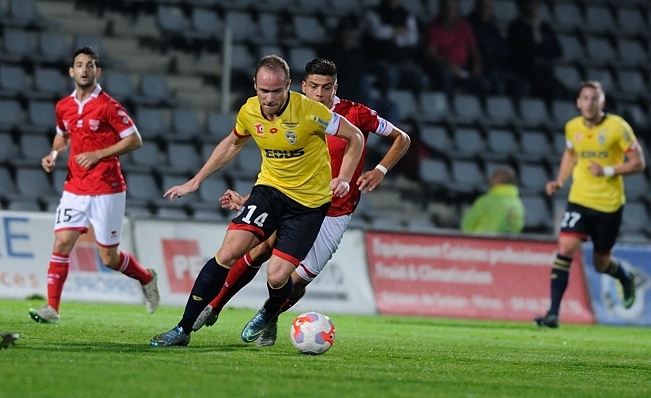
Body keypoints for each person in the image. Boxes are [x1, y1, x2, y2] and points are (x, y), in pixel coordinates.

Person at [190, 58, 410, 346]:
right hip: (295, 203)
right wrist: (247, 198)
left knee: (296, 281)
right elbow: (279, 168)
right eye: (314, 87)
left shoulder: (355, 114)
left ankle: (269, 315)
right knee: (258, 249)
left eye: (327, 87)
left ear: (335, 88)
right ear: (303, 86)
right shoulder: (293, 114)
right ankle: (214, 305)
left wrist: (379, 170)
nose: (320, 94)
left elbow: (402, 138)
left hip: (334, 212)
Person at [150, 55, 365, 347]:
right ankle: (182, 329)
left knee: (277, 277)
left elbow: (355, 138)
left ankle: (271, 309)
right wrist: (196, 180)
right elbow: (232, 143)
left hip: (309, 204)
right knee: (227, 253)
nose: (269, 97)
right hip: (269, 191)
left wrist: (344, 177)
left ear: (289, 86)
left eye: (277, 91)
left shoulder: (312, 112)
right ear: (255, 85)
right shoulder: (249, 111)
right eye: (264, 90)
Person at [29, 47, 160, 324]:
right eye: (79, 65)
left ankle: (147, 278)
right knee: (62, 242)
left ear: (97, 72)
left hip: (107, 188)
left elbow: (135, 139)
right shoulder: (63, 106)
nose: (84, 70)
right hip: (74, 187)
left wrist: (99, 154)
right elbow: (61, 137)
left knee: (109, 259)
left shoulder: (108, 106)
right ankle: (52, 308)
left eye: (89, 65)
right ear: (71, 71)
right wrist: (53, 155)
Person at [535, 81, 646, 328]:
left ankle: (625, 278)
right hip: (579, 199)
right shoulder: (572, 127)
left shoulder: (618, 127)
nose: (589, 103)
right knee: (565, 248)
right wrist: (560, 180)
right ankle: (553, 313)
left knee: (601, 263)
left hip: (609, 205)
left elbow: (638, 163)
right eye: (585, 98)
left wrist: (607, 170)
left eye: (594, 98)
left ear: (602, 103)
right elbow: (571, 153)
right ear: (578, 102)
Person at [422, 0, 489, 97]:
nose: (449, 10)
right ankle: (445, 105)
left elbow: (474, 50)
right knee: (445, 75)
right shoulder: (433, 27)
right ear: (441, 8)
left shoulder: (464, 26)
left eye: (452, 7)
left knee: (483, 84)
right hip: (442, 68)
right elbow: (430, 53)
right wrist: (450, 65)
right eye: (447, 7)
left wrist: (477, 64)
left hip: (463, 69)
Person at [362, 0, 430, 96]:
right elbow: (377, 32)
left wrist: (390, 34)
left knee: (421, 79)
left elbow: (412, 39)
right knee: (390, 75)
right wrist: (397, 31)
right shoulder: (373, 12)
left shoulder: (407, 15)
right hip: (379, 60)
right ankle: (386, 102)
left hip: (401, 61)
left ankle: (417, 107)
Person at [467, 0, 529, 100]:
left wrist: (494, 51)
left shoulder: (492, 27)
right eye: (483, 6)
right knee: (498, 86)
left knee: (522, 85)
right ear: (476, 7)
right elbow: (478, 50)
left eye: (489, 7)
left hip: (500, 69)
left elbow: (505, 50)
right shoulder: (468, 25)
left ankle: (513, 113)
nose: (486, 10)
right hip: (483, 70)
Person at [507, 0, 564, 102]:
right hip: (526, 74)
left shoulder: (545, 28)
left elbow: (557, 51)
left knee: (565, 93)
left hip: (546, 74)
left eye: (537, 4)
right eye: (531, 3)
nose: (534, 7)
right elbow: (524, 51)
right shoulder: (516, 27)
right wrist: (541, 49)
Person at [460, 166, 525, 234]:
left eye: (493, 177)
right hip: (508, 244)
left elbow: (466, 225)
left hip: (483, 242)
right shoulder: (518, 203)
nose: (489, 179)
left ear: (499, 180)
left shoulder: (485, 201)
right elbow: (518, 226)